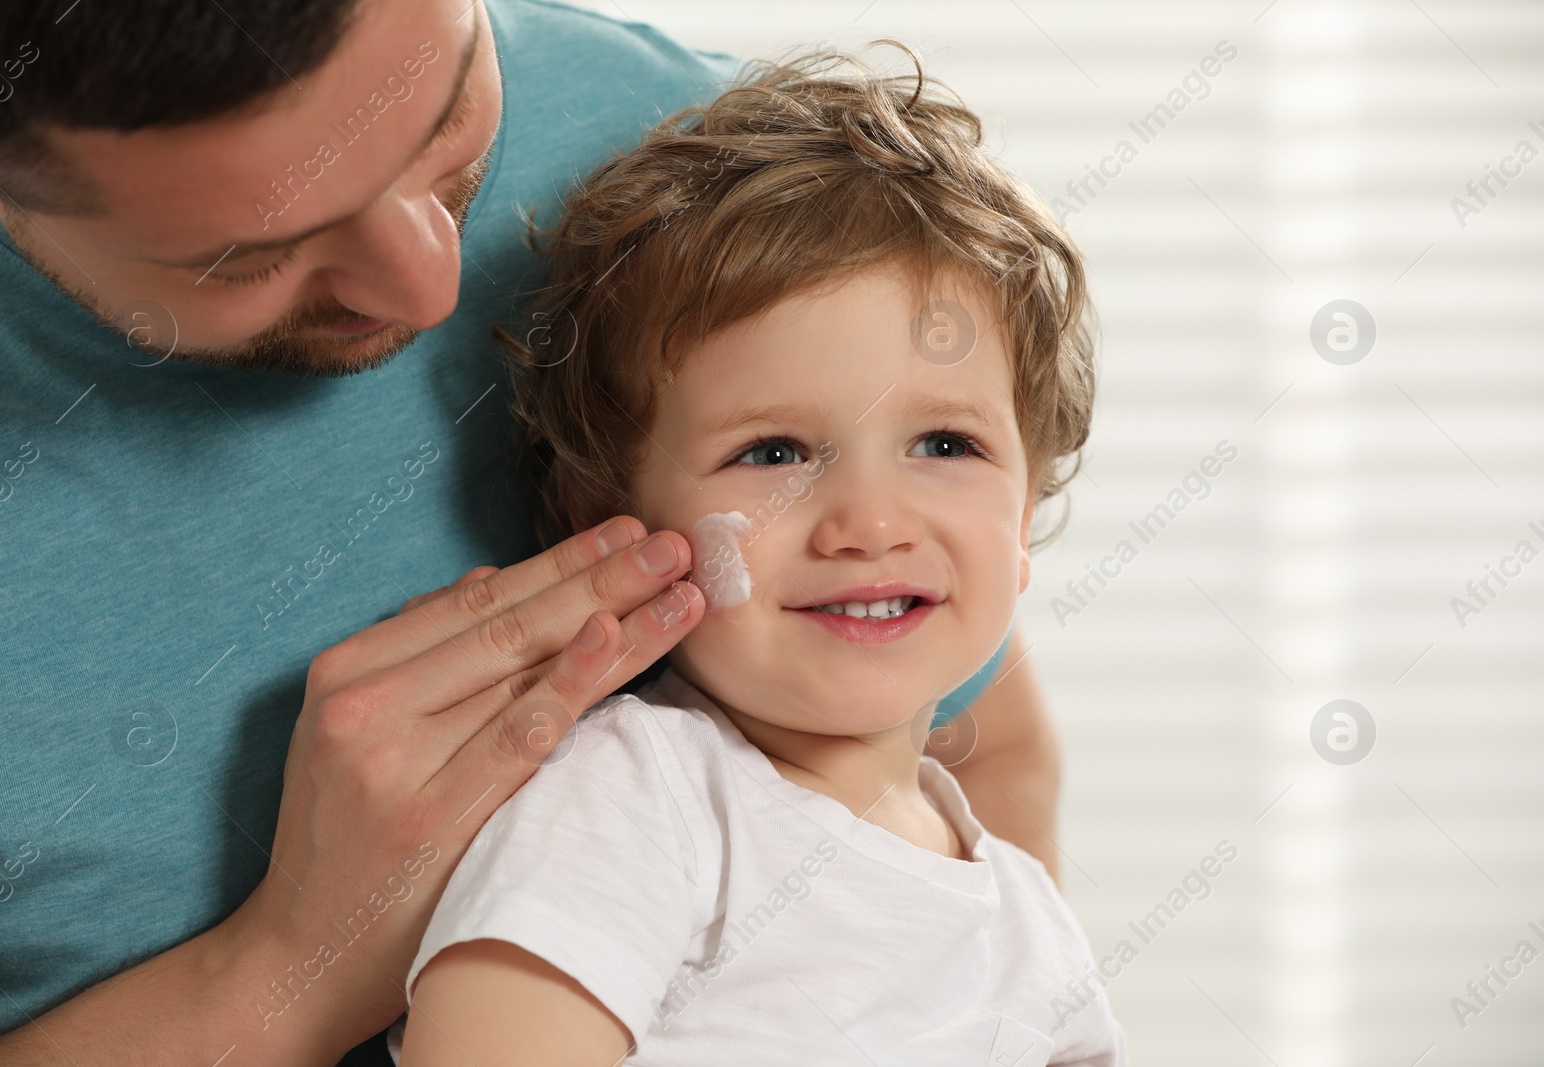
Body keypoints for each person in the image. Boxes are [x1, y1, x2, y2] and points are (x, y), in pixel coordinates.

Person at [0, 2, 1061, 1064]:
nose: (434, 287)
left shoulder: (691, 170)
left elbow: (980, 739)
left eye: (448, 124)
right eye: (250, 255)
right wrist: (281, 972)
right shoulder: (632, 801)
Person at [396, 50, 1119, 1065]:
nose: (870, 522)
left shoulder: (1031, 921)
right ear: (612, 525)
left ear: (1026, 508)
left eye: (945, 445)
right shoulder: (637, 803)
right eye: (772, 453)